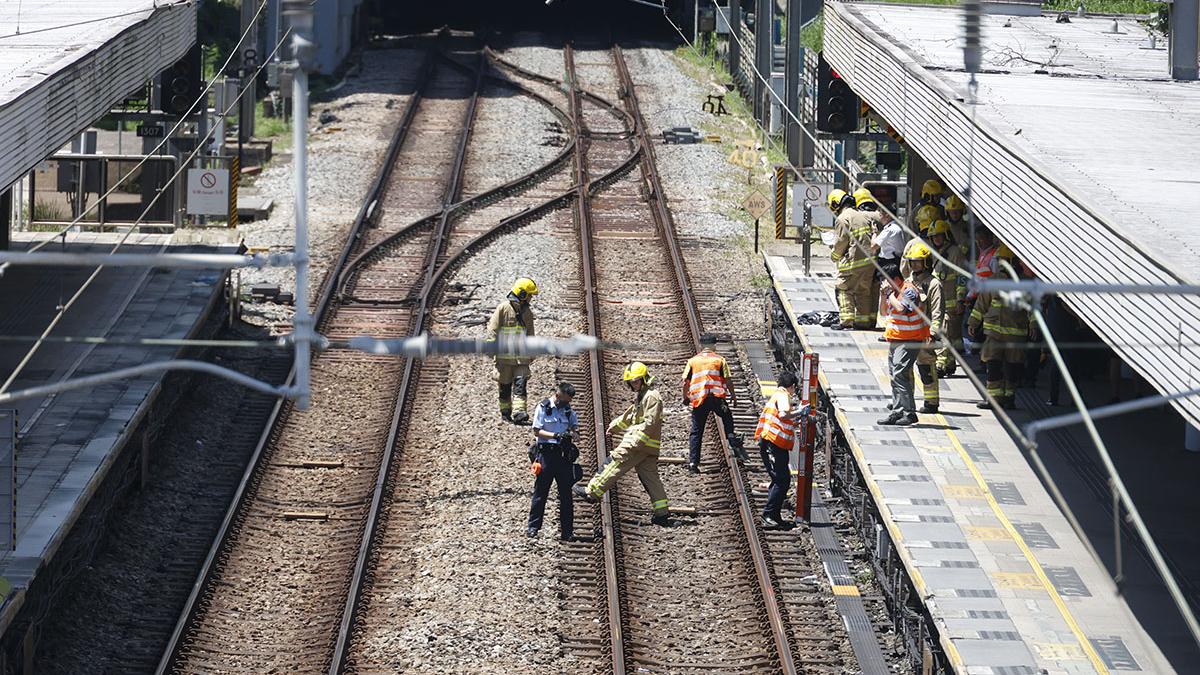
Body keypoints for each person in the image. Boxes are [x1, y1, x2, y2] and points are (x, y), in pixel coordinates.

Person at [573, 362, 670, 526]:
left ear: (644, 378)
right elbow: (631, 416)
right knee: (650, 477)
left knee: (615, 461)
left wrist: (635, 441)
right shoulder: (644, 395)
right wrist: (615, 426)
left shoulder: (651, 396)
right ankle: (662, 513)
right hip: (647, 446)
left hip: (639, 443)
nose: (634, 384)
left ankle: (592, 491)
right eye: (631, 382)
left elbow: (650, 422)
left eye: (636, 381)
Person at [878, 241, 943, 425]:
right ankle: (901, 407)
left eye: (918, 262)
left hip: (920, 335)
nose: (914, 265)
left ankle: (928, 402)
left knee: (924, 368)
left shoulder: (932, 284)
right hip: (902, 336)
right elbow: (887, 311)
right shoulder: (908, 282)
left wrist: (934, 333)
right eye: (912, 262)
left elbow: (937, 310)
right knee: (900, 374)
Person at [967, 244, 1029, 410]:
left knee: (1010, 367)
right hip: (996, 334)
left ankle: (1007, 398)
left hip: (1011, 335)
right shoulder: (994, 280)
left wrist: (1035, 327)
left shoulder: (1023, 282)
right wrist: (973, 322)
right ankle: (996, 399)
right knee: (994, 365)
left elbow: (1032, 310)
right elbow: (982, 304)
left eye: (1003, 261)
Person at [681, 334, 746, 473]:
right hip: (716, 398)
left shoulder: (692, 361)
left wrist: (685, 397)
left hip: (700, 400)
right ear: (713, 346)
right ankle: (731, 437)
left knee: (696, 431)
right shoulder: (720, 360)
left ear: (701, 345)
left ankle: (693, 463)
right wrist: (733, 395)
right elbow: (728, 380)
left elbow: (686, 382)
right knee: (727, 417)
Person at [527, 382, 580, 540]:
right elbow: (537, 431)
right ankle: (533, 527)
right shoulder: (543, 408)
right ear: (558, 395)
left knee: (566, 495)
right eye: (565, 400)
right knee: (540, 493)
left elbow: (575, 429)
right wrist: (556, 436)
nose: (566, 404)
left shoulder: (568, 411)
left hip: (563, 456)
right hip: (546, 455)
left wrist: (573, 434)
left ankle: (567, 532)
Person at [487, 278, 538, 424]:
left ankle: (519, 412)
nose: (531, 298)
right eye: (529, 295)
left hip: (521, 358)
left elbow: (530, 333)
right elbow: (493, 329)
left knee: (520, 384)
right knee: (504, 386)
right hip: (504, 358)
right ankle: (505, 412)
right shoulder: (503, 309)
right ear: (522, 294)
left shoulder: (527, 313)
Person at [755, 371, 801, 530]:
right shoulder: (783, 395)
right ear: (792, 386)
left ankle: (774, 516)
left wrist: (796, 421)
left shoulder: (777, 395)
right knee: (781, 480)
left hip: (775, 444)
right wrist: (800, 411)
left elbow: (782, 420)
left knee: (780, 479)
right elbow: (782, 415)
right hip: (773, 444)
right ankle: (768, 515)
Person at [828, 189, 875, 330]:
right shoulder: (861, 216)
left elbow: (841, 242)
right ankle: (862, 322)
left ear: (836, 204)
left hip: (853, 262)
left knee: (843, 288)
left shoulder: (843, 218)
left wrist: (834, 256)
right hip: (869, 262)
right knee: (863, 291)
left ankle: (846, 321)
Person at [928, 220, 967, 377]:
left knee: (944, 333)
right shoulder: (932, 252)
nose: (936, 239)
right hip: (937, 301)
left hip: (951, 302)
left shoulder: (955, 252)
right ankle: (949, 363)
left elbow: (961, 278)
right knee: (948, 334)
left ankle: (940, 364)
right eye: (933, 236)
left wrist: (960, 300)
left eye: (939, 236)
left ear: (946, 235)